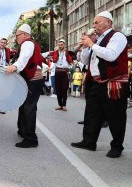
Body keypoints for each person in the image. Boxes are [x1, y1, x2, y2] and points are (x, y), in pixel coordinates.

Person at [71, 11, 128, 158]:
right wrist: (85, 47)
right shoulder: (98, 40)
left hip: (112, 83)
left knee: (116, 116)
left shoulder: (117, 36)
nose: (94, 25)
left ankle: (117, 146)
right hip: (96, 82)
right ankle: (89, 141)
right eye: (94, 23)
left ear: (108, 22)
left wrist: (91, 44)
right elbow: (85, 61)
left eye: (97, 22)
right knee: (92, 114)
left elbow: (111, 55)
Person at [6, 24, 43, 148]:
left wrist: (15, 66)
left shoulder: (27, 43)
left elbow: (24, 58)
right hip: (30, 79)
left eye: (17, 35)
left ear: (25, 34)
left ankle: (31, 139)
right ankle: (23, 131)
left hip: (33, 80)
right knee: (24, 106)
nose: (16, 38)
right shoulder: (27, 43)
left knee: (28, 108)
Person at [51, 39, 73, 111]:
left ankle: (64, 105)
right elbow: (53, 59)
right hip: (57, 72)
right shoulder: (55, 52)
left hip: (64, 72)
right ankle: (60, 105)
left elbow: (71, 61)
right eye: (59, 45)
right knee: (58, 89)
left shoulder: (68, 53)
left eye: (61, 45)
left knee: (64, 88)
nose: (60, 46)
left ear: (64, 45)